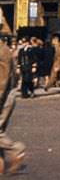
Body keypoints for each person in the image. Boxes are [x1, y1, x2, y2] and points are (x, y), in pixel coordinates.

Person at [0, 35, 26, 174]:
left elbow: (2, 81)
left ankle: (15, 149)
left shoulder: (1, 51)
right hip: (8, 95)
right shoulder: (5, 50)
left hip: (3, 96)